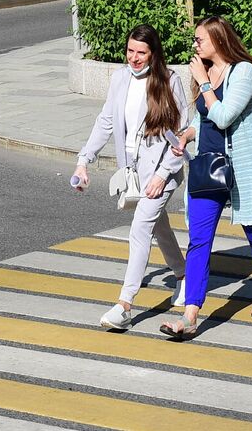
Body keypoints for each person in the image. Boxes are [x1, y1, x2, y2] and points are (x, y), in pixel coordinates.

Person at [161, 16, 252, 340]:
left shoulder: (243, 71)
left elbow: (225, 116)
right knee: (199, 241)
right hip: (207, 166)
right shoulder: (206, 71)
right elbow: (205, 119)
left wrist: (202, 82)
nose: (195, 45)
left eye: (200, 40)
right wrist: (187, 135)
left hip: (240, 167)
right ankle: (190, 315)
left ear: (218, 39)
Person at [73, 25, 190, 331]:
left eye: (141, 52)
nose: (134, 58)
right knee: (158, 225)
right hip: (133, 173)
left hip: (162, 170)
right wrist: (84, 160)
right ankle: (183, 276)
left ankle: (125, 305)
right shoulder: (121, 78)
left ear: (154, 53)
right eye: (130, 51)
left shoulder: (169, 82)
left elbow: (180, 138)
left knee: (140, 229)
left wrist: (163, 176)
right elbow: (106, 121)